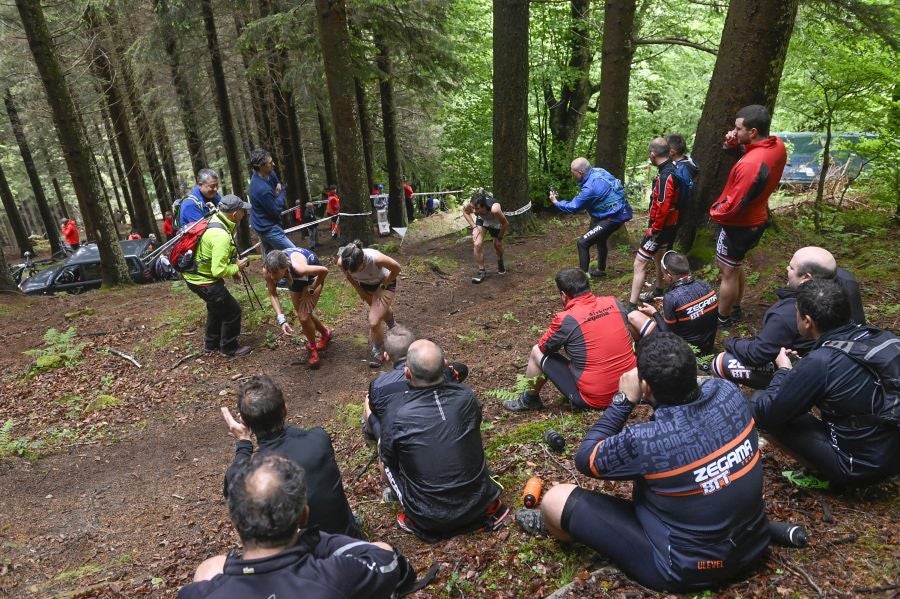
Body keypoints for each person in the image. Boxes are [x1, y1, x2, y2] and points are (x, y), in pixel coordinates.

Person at [516, 333, 769, 593]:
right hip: (755, 542)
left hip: (683, 568)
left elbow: (586, 458)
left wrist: (623, 400)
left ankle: (561, 529)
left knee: (555, 500)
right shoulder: (730, 393)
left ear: (645, 387)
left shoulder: (646, 441)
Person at [179, 454, 414, 598]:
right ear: (303, 515)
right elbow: (385, 558)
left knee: (209, 568)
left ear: (236, 521)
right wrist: (309, 538)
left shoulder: (196, 595)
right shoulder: (337, 575)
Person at [750, 279, 900, 487]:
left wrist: (784, 370)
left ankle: (821, 475)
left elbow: (771, 412)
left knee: (758, 402)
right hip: (891, 452)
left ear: (807, 321)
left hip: (858, 467)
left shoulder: (822, 361)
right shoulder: (881, 338)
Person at [379, 339, 508, 541]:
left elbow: (389, 458)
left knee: (383, 451)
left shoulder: (395, 414)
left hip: (428, 518)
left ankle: (410, 509)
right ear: (446, 365)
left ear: (407, 374)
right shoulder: (466, 397)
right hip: (481, 505)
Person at [219, 375, 361, 537]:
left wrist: (243, 442)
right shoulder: (319, 438)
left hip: (302, 555)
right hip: (348, 538)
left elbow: (234, 486)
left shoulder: (254, 474)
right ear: (285, 409)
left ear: (244, 421)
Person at [711, 246, 865, 389]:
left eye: (791, 267)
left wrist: (730, 341)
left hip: (817, 369)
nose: (787, 268)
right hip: (847, 356)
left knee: (720, 363)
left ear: (806, 277)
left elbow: (757, 353)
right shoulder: (847, 280)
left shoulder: (788, 312)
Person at [503, 268, 636, 411]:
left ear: (563, 295)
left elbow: (544, 347)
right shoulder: (613, 302)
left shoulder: (566, 319)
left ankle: (529, 400)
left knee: (536, 351)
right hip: (632, 387)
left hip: (597, 399)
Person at [710, 105, 787, 327]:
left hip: (740, 225)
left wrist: (714, 212)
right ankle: (734, 307)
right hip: (758, 217)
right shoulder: (777, 146)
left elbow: (734, 205)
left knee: (727, 271)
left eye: (738, 128)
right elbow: (755, 156)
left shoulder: (750, 165)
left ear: (752, 132)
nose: (733, 131)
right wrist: (733, 143)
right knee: (735, 266)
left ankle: (722, 319)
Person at [363, 325, 468, 441]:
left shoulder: (378, 385)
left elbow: (377, 411)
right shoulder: (440, 373)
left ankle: (370, 434)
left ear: (386, 355)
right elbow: (462, 370)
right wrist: (446, 368)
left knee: (368, 401)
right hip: (440, 428)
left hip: (398, 436)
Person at [182, 194, 252, 357]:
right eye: (243, 211)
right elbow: (218, 271)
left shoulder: (216, 220)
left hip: (195, 277)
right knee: (232, 311)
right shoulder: (220, 235)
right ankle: (229, 348)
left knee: (215, 308)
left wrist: (233, 264)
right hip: (204, 281)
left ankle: (211, 344)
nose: (244, 214)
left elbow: (218, 255)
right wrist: (236, 267)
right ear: (234, 214)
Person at [549, 157, 632, 278]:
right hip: (620, 210)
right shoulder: (599, 171)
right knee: (600, 239)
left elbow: (573, 207)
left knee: (583, 243)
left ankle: (583, 278)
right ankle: (600, 270)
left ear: (580, 173)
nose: (572, 175)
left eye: (573, 173)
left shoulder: (590, 188)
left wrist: (556, 202)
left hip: (612, 218)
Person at [626, 138, 683, 311]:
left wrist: (655, 228)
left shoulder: (666, 175)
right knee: (658, 256)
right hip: (671, 224)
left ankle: (631, 306)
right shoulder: (674, 168)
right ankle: (659, 288)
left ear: (652, 154)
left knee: (639, 263)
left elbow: (663, 204)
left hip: (662, 227)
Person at [627, 251, 719, 354]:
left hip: (683, 352)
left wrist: (655, 313)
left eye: (663, 274)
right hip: (708, 346)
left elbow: (669, 334)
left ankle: (642, 351)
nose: (663, 277)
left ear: (669, 276)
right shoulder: (706, 285)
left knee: (632, 316)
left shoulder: (671, 298)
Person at [262, 248, 332, 368]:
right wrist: (281, 319)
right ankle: (326, 333)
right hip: (295, 279)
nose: (272, 277)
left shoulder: (298, 268)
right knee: (303, 314)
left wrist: (310, 289)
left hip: (313, 278)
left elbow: (324, 271)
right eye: (270, 272)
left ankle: (313, 349)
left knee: (304, 317)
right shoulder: (268, 270)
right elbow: (273, 294)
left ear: (284, 267)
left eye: (275, 273)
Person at [337, 241, 401, 367]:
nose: (353, 272)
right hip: (366, 286)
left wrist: (383, 286)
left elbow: (397, 269)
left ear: (363, 262)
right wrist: (360, 291)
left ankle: (377, 348)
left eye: (356, 270)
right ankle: (393, 326)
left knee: (374, 321)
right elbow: (349, 277)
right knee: (380, 311)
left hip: (385, 283)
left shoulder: (376, 259)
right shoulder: (342, 263)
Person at [248, 148, 294, 254]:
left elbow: (274, 178)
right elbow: (276, 209)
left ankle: (269, 269)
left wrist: (277, 183)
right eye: (270, 163)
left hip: (261, 223)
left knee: (270, 257)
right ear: (261, 166)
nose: (273, 164)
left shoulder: (267, 172)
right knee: (294, 253)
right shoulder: (261, 189)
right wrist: (282, 190)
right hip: (267, 227)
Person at [462, 188, 509, 283]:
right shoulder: (473, 206)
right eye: (473, 208)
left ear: (484, 206)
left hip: (496, 221)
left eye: (477, 208)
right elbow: (465, 212)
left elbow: (505, 224)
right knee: (477, 243)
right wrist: (474, 227)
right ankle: (481, 271)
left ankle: (500, 260)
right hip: (482, 220)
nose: (474, 211)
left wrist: (499, 238)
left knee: (497, 245)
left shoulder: (495, 209)